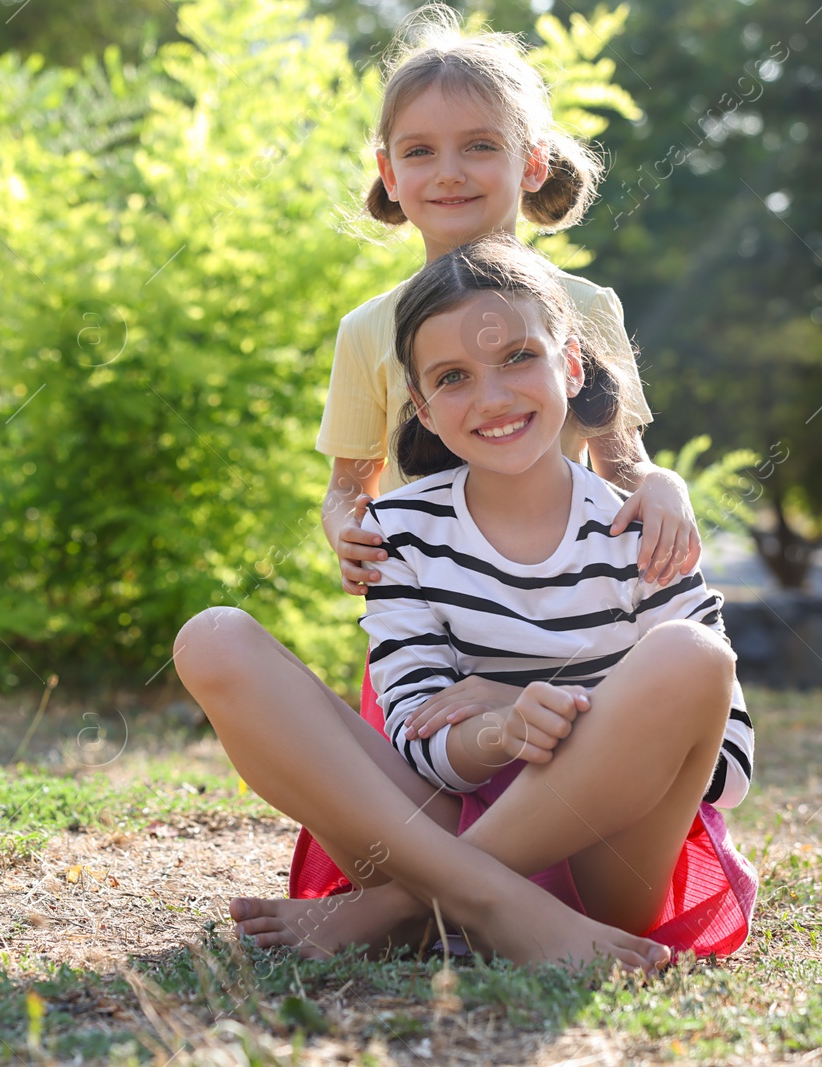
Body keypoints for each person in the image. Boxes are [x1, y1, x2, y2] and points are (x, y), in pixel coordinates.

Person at [176, 234, 756, 970]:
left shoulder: (642, 533)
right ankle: (497, 908)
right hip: (436, 829)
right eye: (453, 377)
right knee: (213, 637)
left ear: (570, 364)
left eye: (518, 357)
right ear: (419, 405)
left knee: (693, 655)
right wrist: (500, 732)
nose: (492, 396)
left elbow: (726, 768)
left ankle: (407, 908)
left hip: (608, 867)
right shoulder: (401, 532)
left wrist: (537, 707)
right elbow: (416, 735)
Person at [295, 4, 705, 900]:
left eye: (480, 145)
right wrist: (345, 531)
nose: (449, 172)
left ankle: (454, 894)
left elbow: (623, 464)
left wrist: (664, 483)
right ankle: (446, 885)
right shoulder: (367, 332)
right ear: (388, 174)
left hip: (563, 641)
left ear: (531, 162)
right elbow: (347, 486)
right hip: (432, 649)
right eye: (421, 151)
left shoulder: (586, 307)